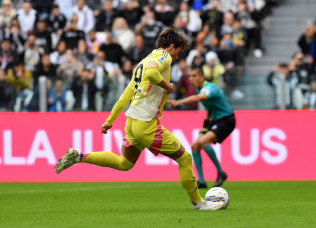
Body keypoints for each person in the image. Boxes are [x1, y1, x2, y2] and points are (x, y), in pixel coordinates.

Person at [55, 28, 223, 211]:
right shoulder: (163, 57)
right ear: (172, 47)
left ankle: (79, 156)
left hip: (132, 121)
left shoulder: (142, 62)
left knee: (124, 163)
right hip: (146, 123)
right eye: (178, 52)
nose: (177, 58)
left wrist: (109, 121)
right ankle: (199, 203)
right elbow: (152, 74)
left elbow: (125, 96)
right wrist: (168, 86)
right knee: (185, 158)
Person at [168, 65, 235, 189]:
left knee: (203, 142)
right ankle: (202, 181)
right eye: (189, 76)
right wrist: (206, 124)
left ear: (202, 77)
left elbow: (199, 98)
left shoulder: (209, 88)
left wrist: (180, 102)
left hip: (226, 120)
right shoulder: (200, 89)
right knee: (195, 146)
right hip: (214, 121)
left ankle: (221, 172)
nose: (191, 79)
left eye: (194, 76)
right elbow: (209, 107)